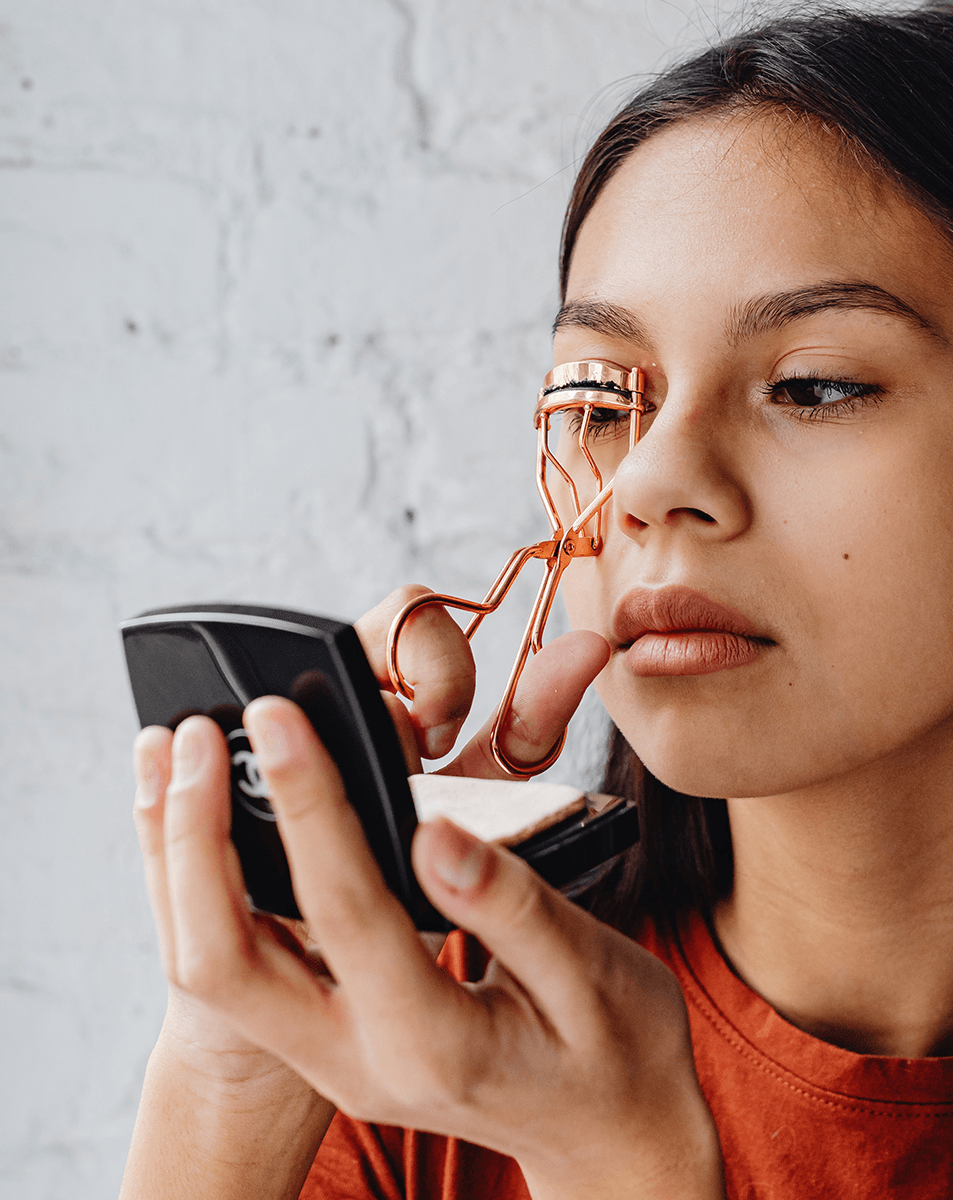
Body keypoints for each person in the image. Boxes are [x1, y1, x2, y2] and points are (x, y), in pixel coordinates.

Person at [119, 6, 953, 1197]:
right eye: (604, 401)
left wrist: (620, 1167)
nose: (649, 480)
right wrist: (237, 1069)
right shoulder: (437, 1049)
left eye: (811, 385)